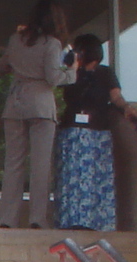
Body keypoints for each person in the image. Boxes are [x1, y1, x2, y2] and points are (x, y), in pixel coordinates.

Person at [0, 0, 76, 228]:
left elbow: (1, 66)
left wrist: (18, 67)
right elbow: (54, 78)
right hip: (40, 104)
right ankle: (37, 219)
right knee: (40, 166)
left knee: (13, 164)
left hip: (15, 102)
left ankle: (6, 219)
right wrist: (72, 72)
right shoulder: (52, 44)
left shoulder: (15, 40)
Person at [54, 33, 128, 232]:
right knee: (72, 176)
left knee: (95, 176)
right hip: (71, 130)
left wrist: (126, 108)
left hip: (96, 131)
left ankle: (96, 221)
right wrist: (72, 67)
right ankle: (71, 220)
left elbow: (116, 97)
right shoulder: (73, 73)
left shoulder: (105, 73)